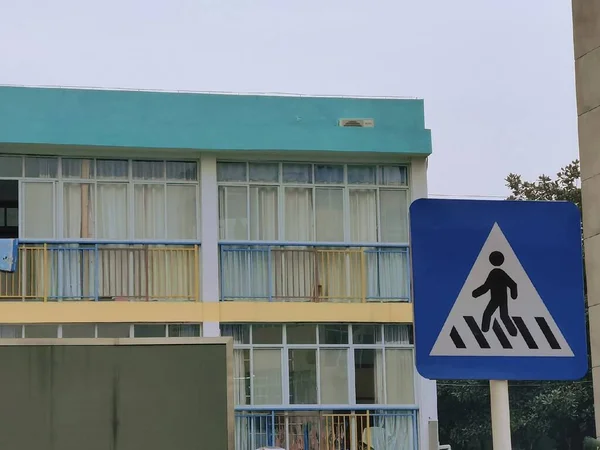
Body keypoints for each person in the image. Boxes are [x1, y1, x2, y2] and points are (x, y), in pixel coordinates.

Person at [472, 251, 518, 336]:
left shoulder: (494, 273)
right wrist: (513, 295)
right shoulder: (501, 273)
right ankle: (513, 332)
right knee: (504, 316)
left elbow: (486, 287)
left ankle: (484, 330)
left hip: (495, 299)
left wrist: (475, 293)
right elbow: (513, 285)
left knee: (487, 313)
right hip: (503, 299)